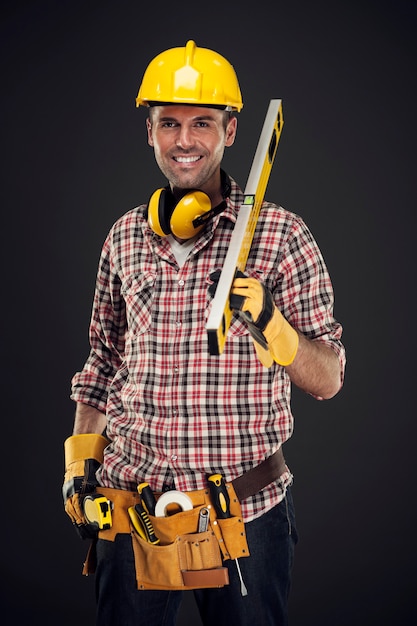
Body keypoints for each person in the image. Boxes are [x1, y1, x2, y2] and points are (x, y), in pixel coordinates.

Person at [63, 40, 346, 626]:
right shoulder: (123, 239)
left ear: (232, 131)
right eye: (169, 123)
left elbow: (329, 378)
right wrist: (78, 466)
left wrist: (274, 326)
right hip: (132, 511)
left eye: (201, 123)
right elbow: (101, 364)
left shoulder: (280, 237)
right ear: (150, 132)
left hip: (244, 515)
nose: (184, 140)